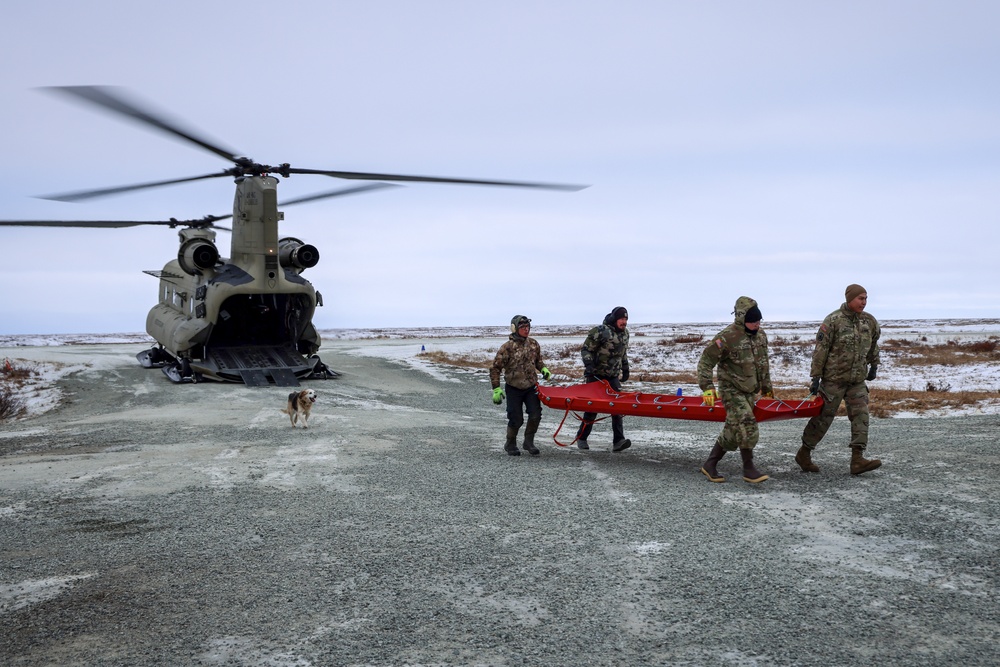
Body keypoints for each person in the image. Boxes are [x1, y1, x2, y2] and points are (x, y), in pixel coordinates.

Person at [797, 284, 882, 475]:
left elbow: (873, 345)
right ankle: (804, 453)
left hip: (856, 381)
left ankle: (857, 460)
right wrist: (815, 378)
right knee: (823, 418)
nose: (864, 302)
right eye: (860, 298)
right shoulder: (833, 321)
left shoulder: (869, 322)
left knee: (861, 415)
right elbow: (820, 351)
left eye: (866, 298)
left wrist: (874, 365)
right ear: (849, 298)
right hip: (833, 380)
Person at [697, 296, 773, 484]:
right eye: (753, 321)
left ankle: (710, 464)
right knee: (747, 423)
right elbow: (705, 362)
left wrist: (766, 388)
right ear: (741, 318)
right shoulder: (727, 337)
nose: (756, 324)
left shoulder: (761, 336)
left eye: (758, 321)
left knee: (733, 429)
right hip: (731, 390)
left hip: (750, 390)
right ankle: (749, 469)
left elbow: (763, 363)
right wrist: (707, 388)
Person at [490, 315, 552, 456]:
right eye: (522, 327)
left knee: (535, 415)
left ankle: (528, 442)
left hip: (531, 386)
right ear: (514, 328)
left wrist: (543, 369)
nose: (526, 330)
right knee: (516, 418)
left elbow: (538, 361)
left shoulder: (533, 344)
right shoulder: (507, 347)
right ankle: (510, 443)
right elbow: (495, 368)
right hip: (514, 387)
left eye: (528, 327)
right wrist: (496, 389)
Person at [575, 306, 631, 452]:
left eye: (625, 319)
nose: (624, 322)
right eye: (621, 319)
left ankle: (618, 441)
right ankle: (581, 437)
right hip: (596, 376)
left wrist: (625, 368)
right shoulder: (600, 331)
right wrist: (589, 364)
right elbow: (586, 349)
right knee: (592, 409)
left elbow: (623, 353)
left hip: (613, 376)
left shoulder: (625, 334)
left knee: (617, 408)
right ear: (614, 319)